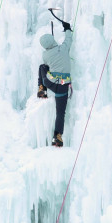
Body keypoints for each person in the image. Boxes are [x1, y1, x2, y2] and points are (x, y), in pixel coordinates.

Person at [38, 17, 73, 147]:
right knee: (60, 113)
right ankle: (57, 137)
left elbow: (48, 64)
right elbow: (68, 40)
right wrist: (67, 28)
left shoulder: (45, 55)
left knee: (42, 67)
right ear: (53, 40)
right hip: (63, 86)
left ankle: (41, 89)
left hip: (51, 84)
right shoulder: (64, 48)